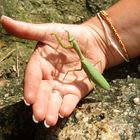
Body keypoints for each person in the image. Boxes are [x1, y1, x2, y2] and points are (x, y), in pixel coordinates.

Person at [1, 0, 140, 128]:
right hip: (94, 66)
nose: (71, 40)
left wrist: (100, 39)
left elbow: (65, 47)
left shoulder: (82, 57)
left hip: (93, 71)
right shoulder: (83, 56)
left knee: (75, 73)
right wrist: (101, 36)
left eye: (71, 40)